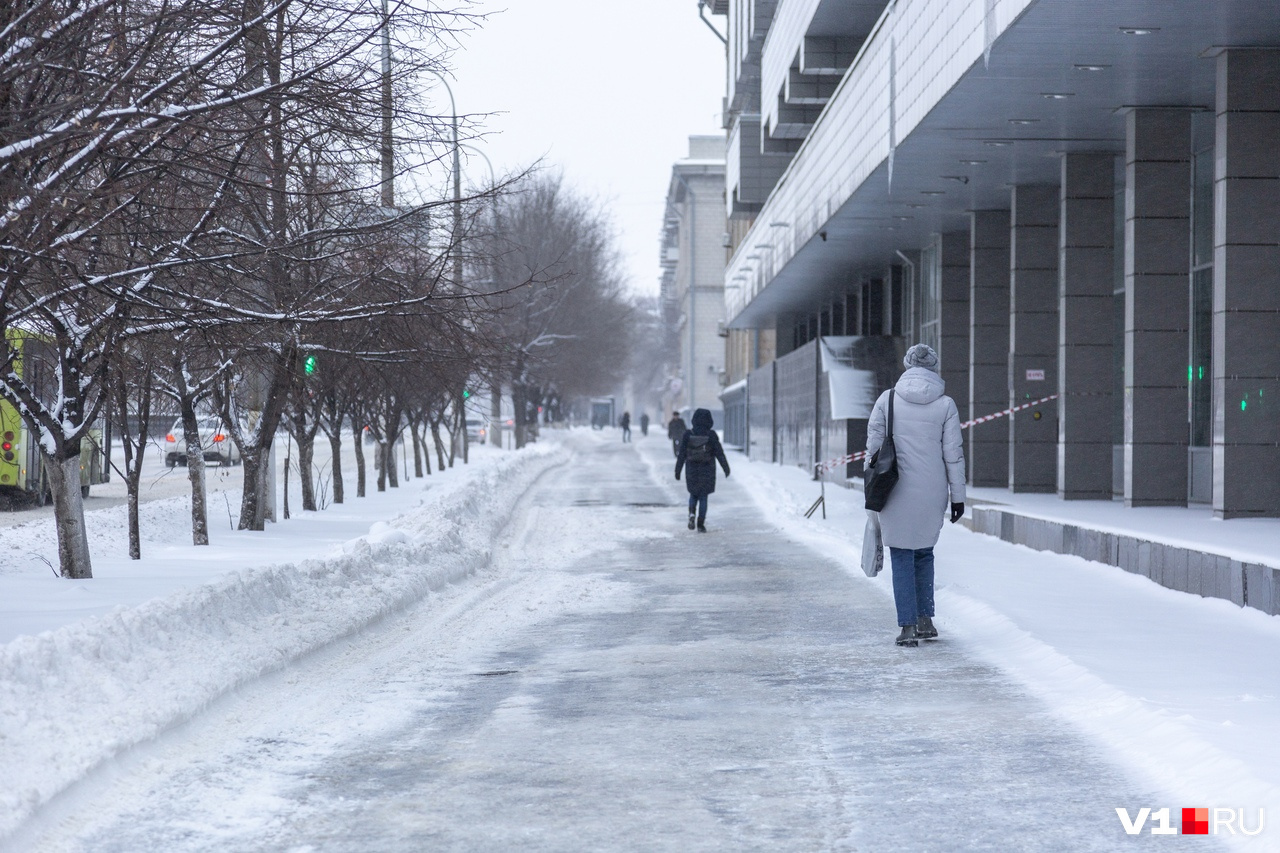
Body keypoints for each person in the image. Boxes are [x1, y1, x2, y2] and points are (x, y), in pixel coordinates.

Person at [865, 343, 965, 648]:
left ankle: (907, 627)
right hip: (932, 491)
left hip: (893, 488)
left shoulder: (888, 400)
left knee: (902, 554)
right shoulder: (946, 404)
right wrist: (958, 497)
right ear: (933, 367)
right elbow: (954, 456)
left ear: (907, 365)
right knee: (924, 551)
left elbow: (872, 451)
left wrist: (869, 490)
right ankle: (925, 619)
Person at [675, 408, 730, 533]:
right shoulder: (711, 435)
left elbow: (682, 454)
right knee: (703, 497)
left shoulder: (688, 434)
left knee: (693, 494)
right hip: (707, 470)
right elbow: (719, 453)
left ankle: (691, 514)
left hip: (691, 469)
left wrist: (677, 471)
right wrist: (726, 468)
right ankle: (700, 524)